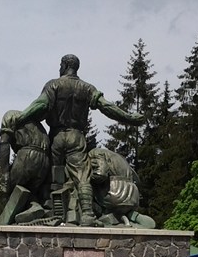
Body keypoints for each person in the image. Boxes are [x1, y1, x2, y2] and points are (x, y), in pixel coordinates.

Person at [12, 54, 144, 226]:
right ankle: (87, 214)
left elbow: (41, 105)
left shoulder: (53, 85)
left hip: (56, 136)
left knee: (53, 175)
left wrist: (20, 117)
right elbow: (106, 107)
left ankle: (49, 209)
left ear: (65, 65)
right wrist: (128, 118)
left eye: (60, 65)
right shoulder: (86, 88)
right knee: (82, 176)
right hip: (76, 137)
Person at [0, 109, 52, 221]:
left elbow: (4, 143)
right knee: (30, 191)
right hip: (45, 160)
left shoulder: (9, 116)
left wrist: (5, 174)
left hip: (27, 155)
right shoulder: (37, 125)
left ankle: (9, 222)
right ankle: (34, 207)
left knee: (9, 188)